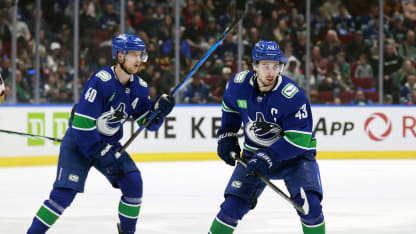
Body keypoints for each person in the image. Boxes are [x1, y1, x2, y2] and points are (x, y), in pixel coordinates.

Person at [27, 34, 175, 234]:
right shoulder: (101, 81)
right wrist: (101, 151)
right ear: (120, 56)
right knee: (63, 195)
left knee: (133, 182)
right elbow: (81, 125)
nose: (138, 59)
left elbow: (148, 125)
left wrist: (159, 112)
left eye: (140, 54)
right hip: (80, 143)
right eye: (132, 54)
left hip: (108, 144)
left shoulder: (140, 88)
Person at [208, 41, 325, 234]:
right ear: (254, 65)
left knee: (311, 207)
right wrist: (227, 135)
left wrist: (270, 155)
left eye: (275, 66)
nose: (271, 72)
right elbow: (230, 107)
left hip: (295, 159)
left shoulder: (292, 96)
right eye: (265, 66)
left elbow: (300, 140)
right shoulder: (238, 85)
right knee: (231, 207)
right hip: (254, 156)